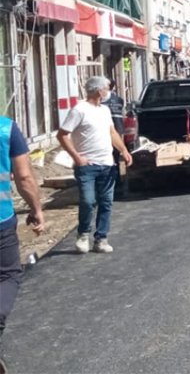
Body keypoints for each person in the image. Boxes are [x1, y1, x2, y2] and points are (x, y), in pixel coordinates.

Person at [56, 76, 133, 255]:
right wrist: (76, 156)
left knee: (106, 202)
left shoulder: (104, 110)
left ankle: (101, 239)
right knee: (88, 201)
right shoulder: (79, 110)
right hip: (87, 166)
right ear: (99, 91)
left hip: (107, 164)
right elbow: (62, 135)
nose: (108, 92)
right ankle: (83, 235)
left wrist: (123, 151)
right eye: (106, 88)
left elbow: (111, 132)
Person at [0, 115, 45, 362]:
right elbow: (24, 178)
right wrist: (36, 208)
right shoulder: (5, 128)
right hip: (1, 220)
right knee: (8, 274)